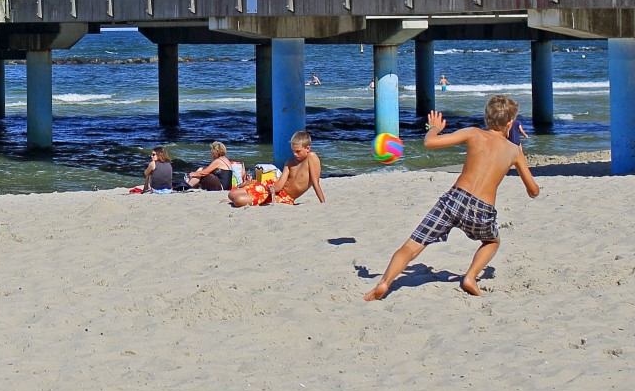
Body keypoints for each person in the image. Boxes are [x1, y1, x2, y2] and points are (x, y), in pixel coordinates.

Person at [364, 97, 540, 301]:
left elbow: (430, 142)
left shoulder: (474, 133)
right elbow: (533, 191)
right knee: (492, 241)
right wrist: (520, 156)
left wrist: (435, 127)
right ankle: (470, 278)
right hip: (482, 210)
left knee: (411, 246)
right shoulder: (514, 152)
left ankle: (384, 282)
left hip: (454, 199)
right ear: (510, 123)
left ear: (486, 118)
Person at [230, 132, 324, 207]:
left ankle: (251, 186)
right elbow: (279, 185)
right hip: (273, 186)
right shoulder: (290, 162)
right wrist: (272, 189)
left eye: (298, 151)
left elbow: (315, 183)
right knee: (232, 194)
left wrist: (323, 203)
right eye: (293, 151)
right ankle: (252, 184)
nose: (295, 154)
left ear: (308, 148)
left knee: (238, 200)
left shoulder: (311, 157)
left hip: (286, 196)